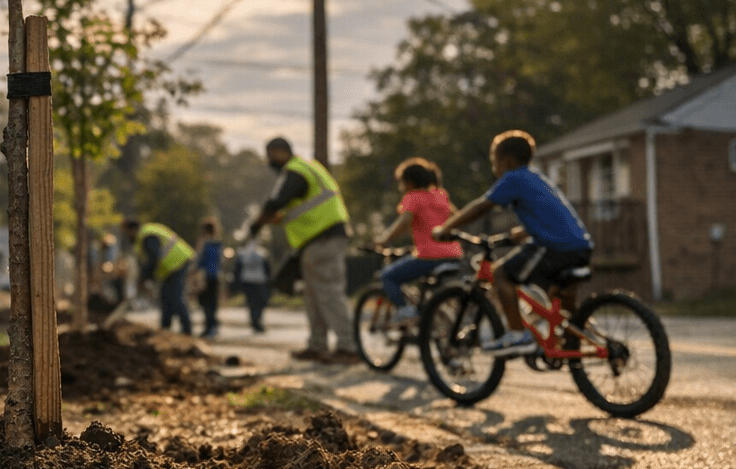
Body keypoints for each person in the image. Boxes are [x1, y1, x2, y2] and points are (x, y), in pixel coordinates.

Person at [433, 129, 594, 355]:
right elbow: (541, 222)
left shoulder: (513, 177)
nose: (494, 168)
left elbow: (482, 205)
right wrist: (508, 239)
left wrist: (447, 227)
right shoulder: (536, 177)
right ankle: (574, 340)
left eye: (493, 162)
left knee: (500, 274)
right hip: (580, 247)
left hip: (554, 248)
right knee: (559, 294)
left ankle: (518, 334)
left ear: (506, 160)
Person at [249, 136, 357, 364]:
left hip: (325, 238)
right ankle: (317, 345)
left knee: (329, 293)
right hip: (316, 241)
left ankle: (349, 347)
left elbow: (276, 201)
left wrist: (257, 223)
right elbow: (294, 208)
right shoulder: (307, 169)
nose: (269, 161)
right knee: (313, 295)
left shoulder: (295, 170)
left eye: (269, 155)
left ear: (279, 151)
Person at [371, 158, 462, 325]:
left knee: (387, 277)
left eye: (401, 183)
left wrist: (384, 239)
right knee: (426, 291)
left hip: (428, 257)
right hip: (453, 254)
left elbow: (404, 221)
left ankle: (406, 311)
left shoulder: (413, 197)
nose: (401, 187)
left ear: (410, 182)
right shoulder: (440, 195)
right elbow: (456, 217)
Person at [121, 218, 194, 335]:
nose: (126, 236)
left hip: (177, 263)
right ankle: (165, 329)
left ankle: (186, 330)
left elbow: (153, 259)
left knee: (174, 296)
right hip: (171, 267)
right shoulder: (144, 235)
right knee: (166, 297)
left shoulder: (146, 236)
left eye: (126, 232)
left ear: (132, 229)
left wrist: (144, 279)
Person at [231, 236, 273, 332]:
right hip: (259, 280)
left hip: (247, 280)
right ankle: (256, 321)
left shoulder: (242, 253)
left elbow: (237, 269)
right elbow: (268, 269)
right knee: (259, 302)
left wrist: (236, 283)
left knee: (252, 303)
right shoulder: (263, 253)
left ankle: (255, 321)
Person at [195, 218, 223, 338]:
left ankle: (210, 326)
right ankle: (212, 325)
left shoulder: (206, 244)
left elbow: (201, 261)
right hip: (216, 275)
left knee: (205, 302)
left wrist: (194, 271)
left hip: (205, 276)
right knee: (213, 302)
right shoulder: (219, 244)